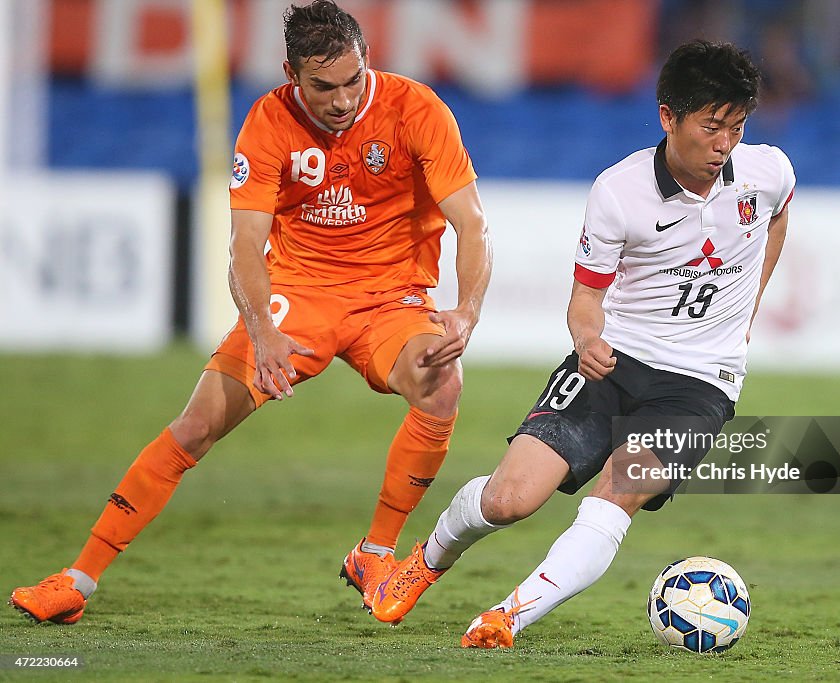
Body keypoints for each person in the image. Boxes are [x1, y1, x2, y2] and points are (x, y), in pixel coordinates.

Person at [9, 0, 490, 625]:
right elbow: (242, 248)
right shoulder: (268, 121)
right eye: (324, 87)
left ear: (367, 61)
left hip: (389, 297)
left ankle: (375, 553)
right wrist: (263, 333)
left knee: (441, 383)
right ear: (292, 75)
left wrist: (466, 311)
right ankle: (76, 580)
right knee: (196, 426)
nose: (342, 100)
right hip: (299, 295)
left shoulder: (416, 108)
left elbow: (472, 225)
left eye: (353, 81)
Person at [370, 40, 794, 648]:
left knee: (615, 494)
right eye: (712, 127)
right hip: (613, 362)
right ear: (669, 117)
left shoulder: (768, 171)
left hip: (702, 385)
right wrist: (586, 338)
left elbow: (778, 215)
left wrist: (749, 306)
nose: (725, 144)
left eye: (737, 127)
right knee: (511, 498)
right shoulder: (619, 192)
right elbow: (585, 298)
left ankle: (507, 617)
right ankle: (426, 562)